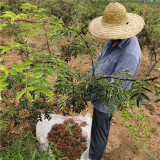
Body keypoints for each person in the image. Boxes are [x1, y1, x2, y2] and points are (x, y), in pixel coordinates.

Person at [87, 2, 145, 160]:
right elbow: (101, 60)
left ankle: (93, 157)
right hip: (98, 91)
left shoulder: (130, 54)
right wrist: (89, 82)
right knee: (97, 128)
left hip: (106, 101)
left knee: (99, 133)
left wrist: (90, 92)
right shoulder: (115, 38)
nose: (108, 34)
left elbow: (115, 87)